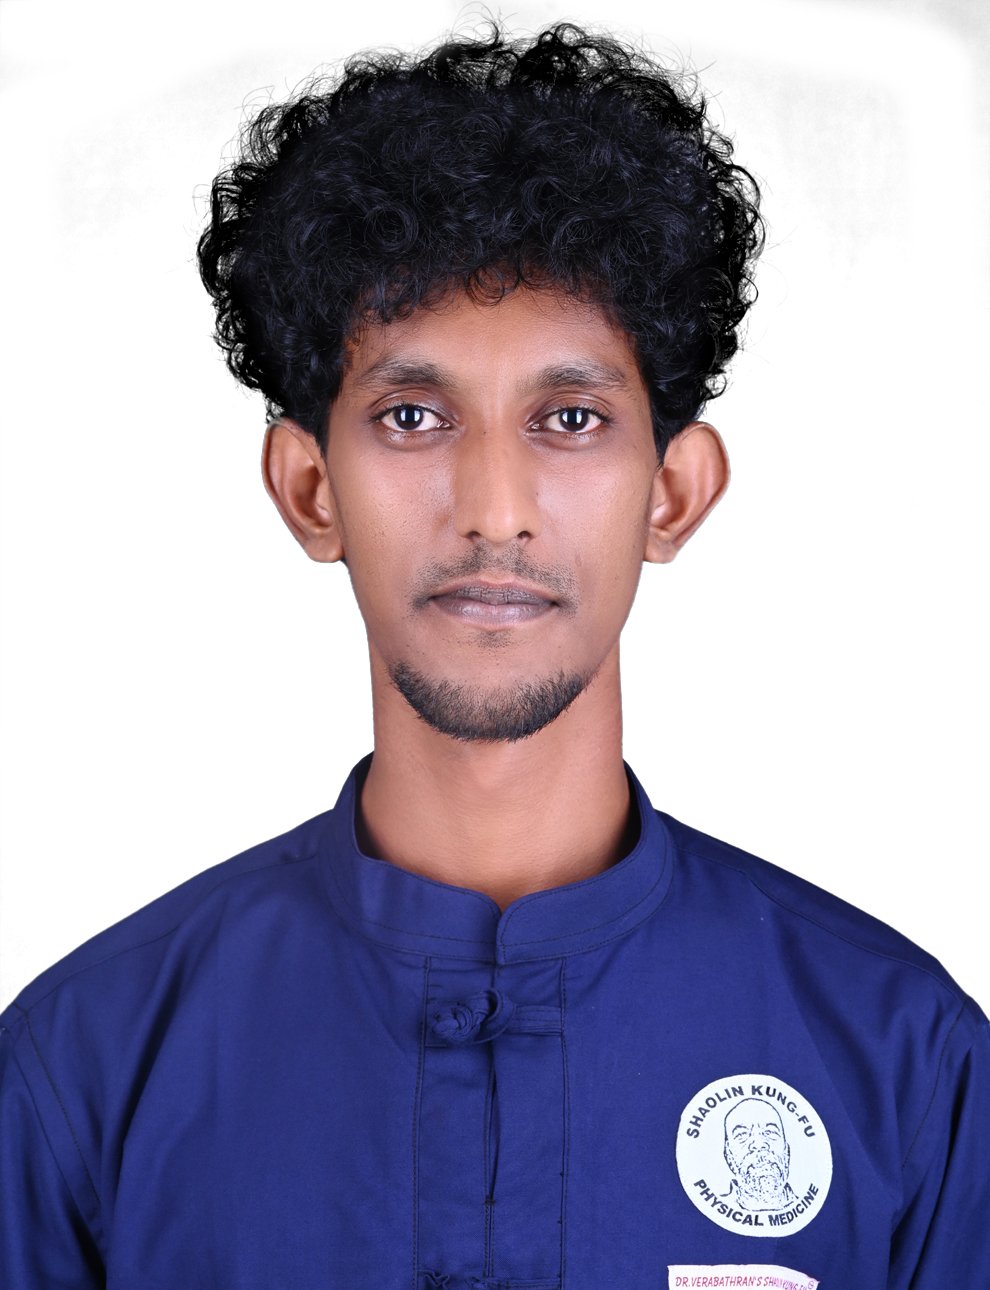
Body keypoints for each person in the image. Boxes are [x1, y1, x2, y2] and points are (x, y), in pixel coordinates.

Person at [1, 21, 987, 1290]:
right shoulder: (85, 1070)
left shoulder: (902, 1061)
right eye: (413, 416)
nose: (495, 509)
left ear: (673, 495)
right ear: (309, 490)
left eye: (569, 418)